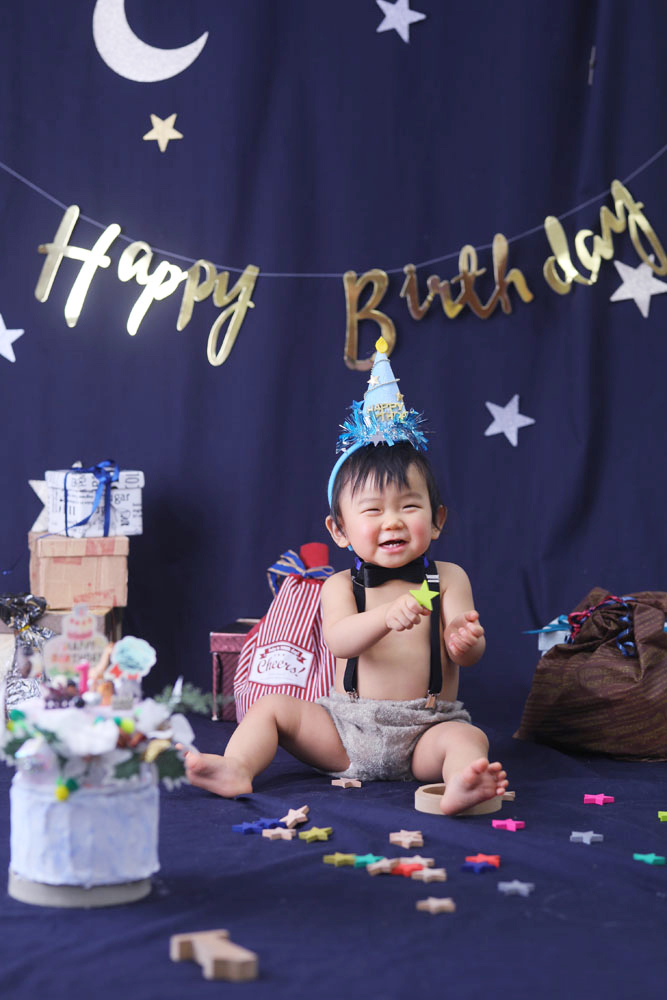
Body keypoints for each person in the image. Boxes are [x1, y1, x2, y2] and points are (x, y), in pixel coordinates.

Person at [185, 339, 508, 814]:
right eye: (372, 511)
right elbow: (338, 641)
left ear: (437, 519)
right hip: (345, 729)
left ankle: (460, 784)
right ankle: (237, 766)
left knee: (468, 737)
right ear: (339, 530)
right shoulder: (340, 586)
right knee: (271, 707)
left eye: (409, 506)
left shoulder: (449, 578)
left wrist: (465, 641)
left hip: (425, 729)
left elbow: (469, 653)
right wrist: (386, 616)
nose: (392, 522)